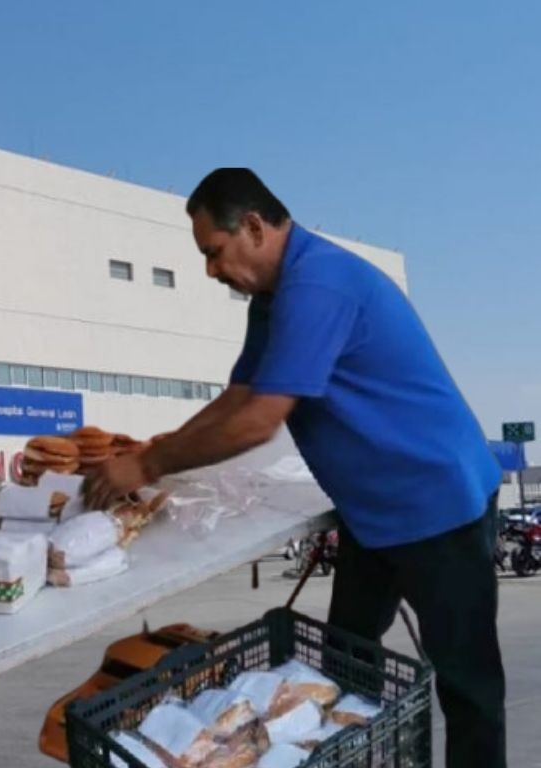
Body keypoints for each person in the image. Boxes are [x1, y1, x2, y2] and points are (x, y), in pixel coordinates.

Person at [86, 168, 504, 768]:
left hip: (438, 505)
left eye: (214, 253)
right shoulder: (272, 299)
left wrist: (149, 462)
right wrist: (152, 452)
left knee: (469, 687)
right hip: (373, 514)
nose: (210, 271)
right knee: (342, 669)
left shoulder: (320, 284)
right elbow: (238, 398)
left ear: (253, 226)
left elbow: (260, 419)